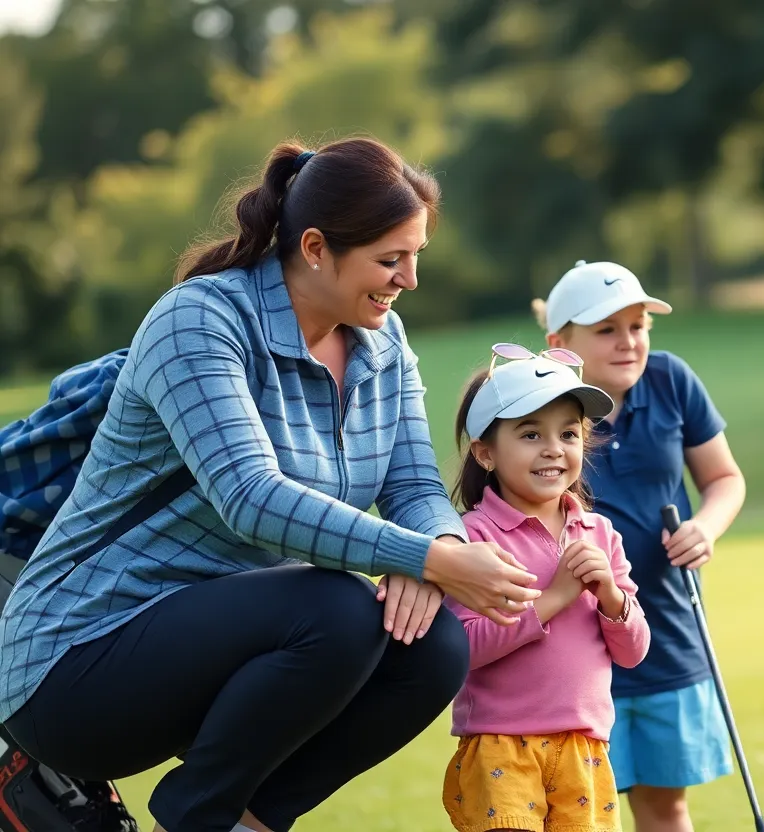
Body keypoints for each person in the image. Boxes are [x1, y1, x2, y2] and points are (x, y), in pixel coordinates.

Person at [0, 136, 541, 832]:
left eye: (416, 257)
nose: (409, 279)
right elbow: (251, 497)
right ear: (315, 248)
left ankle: (248, 823)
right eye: (389, 259)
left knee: (432, 647)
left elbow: (413, 485)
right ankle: (200, 819)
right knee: (338, 608)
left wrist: (431, 546)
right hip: (72, 663)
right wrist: (426, 557)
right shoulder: (199, 319)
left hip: (221, 653)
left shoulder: (384, 343)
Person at [530, 263, 747, 832]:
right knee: (577, 810)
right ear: (559, 344)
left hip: (665, 630)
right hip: (571, 639)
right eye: (606, 330)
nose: (629, 341)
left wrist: (706, 526)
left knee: (663, 806)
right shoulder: (538, 406)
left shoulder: (671, 379)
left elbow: (724, 480)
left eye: (638, 325)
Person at [440, 345, 651, 832]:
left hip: (585, 749)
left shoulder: (600, 534)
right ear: (485, 452)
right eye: (531, 434)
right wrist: (555, 596)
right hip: (500, 745)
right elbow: (461, 647)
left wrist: (611, 599)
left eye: (569, 434)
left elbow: (634, 651)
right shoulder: (472, 538)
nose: (554, 448)